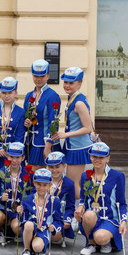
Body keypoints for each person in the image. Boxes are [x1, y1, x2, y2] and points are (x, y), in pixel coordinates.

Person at [76, 142, 127, 255]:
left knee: (101, 237)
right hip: (92, 218)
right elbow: (83, 199)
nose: (97, 160)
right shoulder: (85, 175)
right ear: (90, 157)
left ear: (107, 158)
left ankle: (105, 241)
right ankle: (91, 244)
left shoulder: (117, 176)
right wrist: (80, 207)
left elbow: (121, 203)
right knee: (88, 214)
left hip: (110, 219)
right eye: (94, 156)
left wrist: (123, 221)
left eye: (101, 157)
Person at [51, 67, 93, 199]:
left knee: (73, 186)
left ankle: (82, 209)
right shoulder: (72, 98)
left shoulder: (79, 102)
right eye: (65, 82)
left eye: (71, 83)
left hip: (78, 147)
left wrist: (65, 135)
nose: (67, 85)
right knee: (72, 184)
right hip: (72, 145)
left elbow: (88, 128)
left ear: (79, 84)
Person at [19, 168, 63, 255]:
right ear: (34, 183)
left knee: (37, 248)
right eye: (38, 184)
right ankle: (26, 249)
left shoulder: (55, 201)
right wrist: (20, 213)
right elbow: (23, 220)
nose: (41, 188)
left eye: (45, 185)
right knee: (28, 224)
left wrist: (54, 227)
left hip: (44, 230)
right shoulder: (27, 199)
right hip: (30, 228)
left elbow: (59, 220)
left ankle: (36, 244)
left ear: (50, 185)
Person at [23, 60, 60, 168]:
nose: (38, 79)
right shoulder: (29, 95)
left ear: (48, 76)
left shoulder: (52, 95)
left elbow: (53, 123)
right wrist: (26, 123)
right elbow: (26, 115)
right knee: (31, 175)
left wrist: (48, 146)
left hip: (44, 144)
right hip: (30, 142)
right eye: (35, 76)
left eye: (42, 76)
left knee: (41, 176)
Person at [0, 142, 32, 245]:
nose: (14, 160)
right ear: (6, 156)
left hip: (19, 211)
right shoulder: (0, 173)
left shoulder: (28, 174)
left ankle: (17, 233)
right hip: (3, 209)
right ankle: (0, 230)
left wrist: (24, 207)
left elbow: (31, 195)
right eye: (11, 157)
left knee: (17, 227)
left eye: (18, 157)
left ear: (23, 157)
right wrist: (0, 198)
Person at [45, 151, 76, 245]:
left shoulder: (69, 184)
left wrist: (67, 219)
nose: (54, 170)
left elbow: (70, 206)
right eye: (51, 167)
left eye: (57, 167)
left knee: (53, 236)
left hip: (59, 217)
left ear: (64, 166)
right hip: (43, 215)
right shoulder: (42, 181)